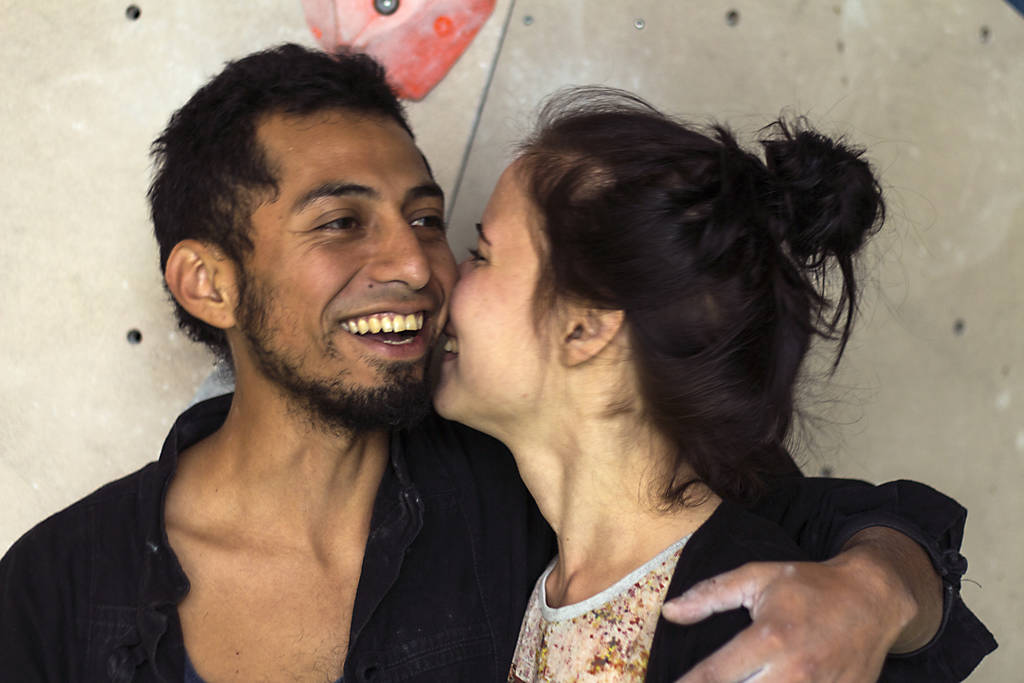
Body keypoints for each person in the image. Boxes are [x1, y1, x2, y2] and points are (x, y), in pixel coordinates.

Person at [0, 45, 993, 682]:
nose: (414, 265)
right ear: (207, 283)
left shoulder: (543, 497)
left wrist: (873, 591)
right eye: (342, 221)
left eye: (437, 223)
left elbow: (834, 529)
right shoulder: (55, 592)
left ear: (585, 326)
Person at [431, 86, 992, 681]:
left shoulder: (761, 635)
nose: (444, 277)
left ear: (584, 327)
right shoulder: (548, 571)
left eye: (481, 253)